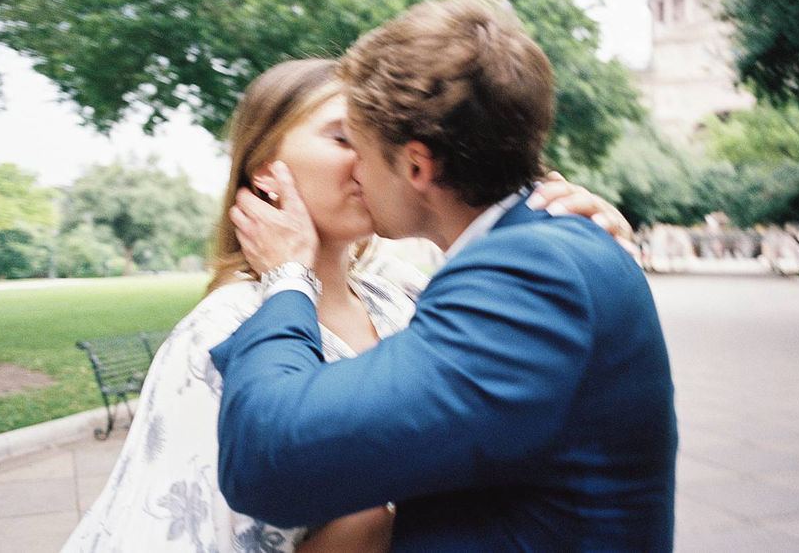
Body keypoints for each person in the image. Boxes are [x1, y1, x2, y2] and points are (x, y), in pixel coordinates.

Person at [62, 56, 632, 552]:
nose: (370, 160)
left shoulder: (404, 292)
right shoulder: (222, 329)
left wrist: (567, 235)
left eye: (377, 140)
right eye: (342, 138)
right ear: (266, 171)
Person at [213, 0, 677, 550]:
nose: (354, 170)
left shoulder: (533, 275)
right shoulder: (544, 248)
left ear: (416, 165)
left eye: (356, 145)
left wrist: (288, 277)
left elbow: (266, 461)